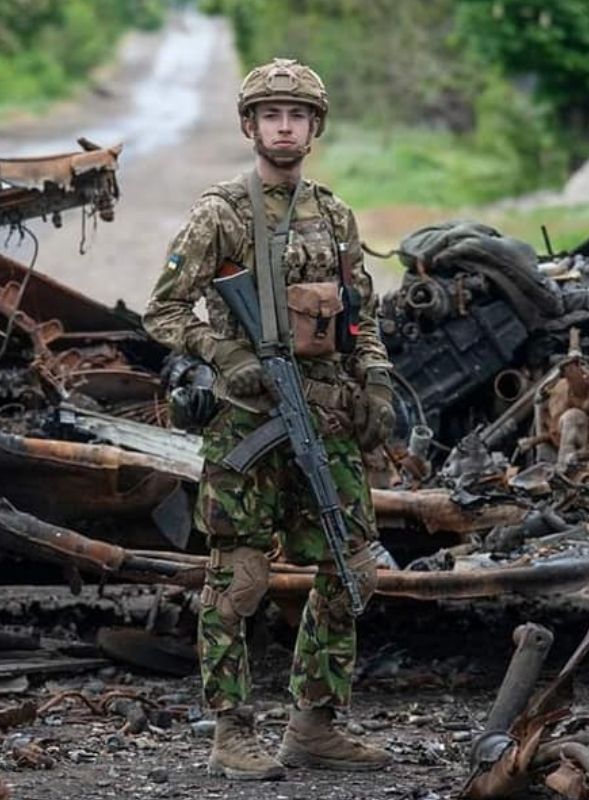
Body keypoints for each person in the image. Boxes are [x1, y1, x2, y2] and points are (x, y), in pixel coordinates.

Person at [143, 58, 396, 781]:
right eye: (270, 115)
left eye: (297, 115)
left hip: (328, 415)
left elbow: (361, 316)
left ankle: (314, 723)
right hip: (249, 421)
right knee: (240, 578)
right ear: (250, 126)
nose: (284, 126)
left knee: (352, 571)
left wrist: (374, 380)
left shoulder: (336, 214)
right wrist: (224, 351)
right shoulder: (220, 211)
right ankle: (231, 732)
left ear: (314, 128)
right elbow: (163, 309)